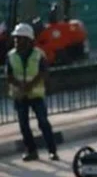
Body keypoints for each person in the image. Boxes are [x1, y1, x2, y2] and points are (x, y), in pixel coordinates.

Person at [6, 23, 58, 161]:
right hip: (20, 95)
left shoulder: (38, 54)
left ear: (28, 40)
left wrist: (30, 85)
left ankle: (52, 151)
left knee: (43, 122)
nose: (16, 41)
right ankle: (31, 151)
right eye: (15, 38)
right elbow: (9, 75)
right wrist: (20, 86)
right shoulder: (11, 55)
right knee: (24, 125)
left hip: (36, 95)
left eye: (19, 38)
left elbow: (43, 73)